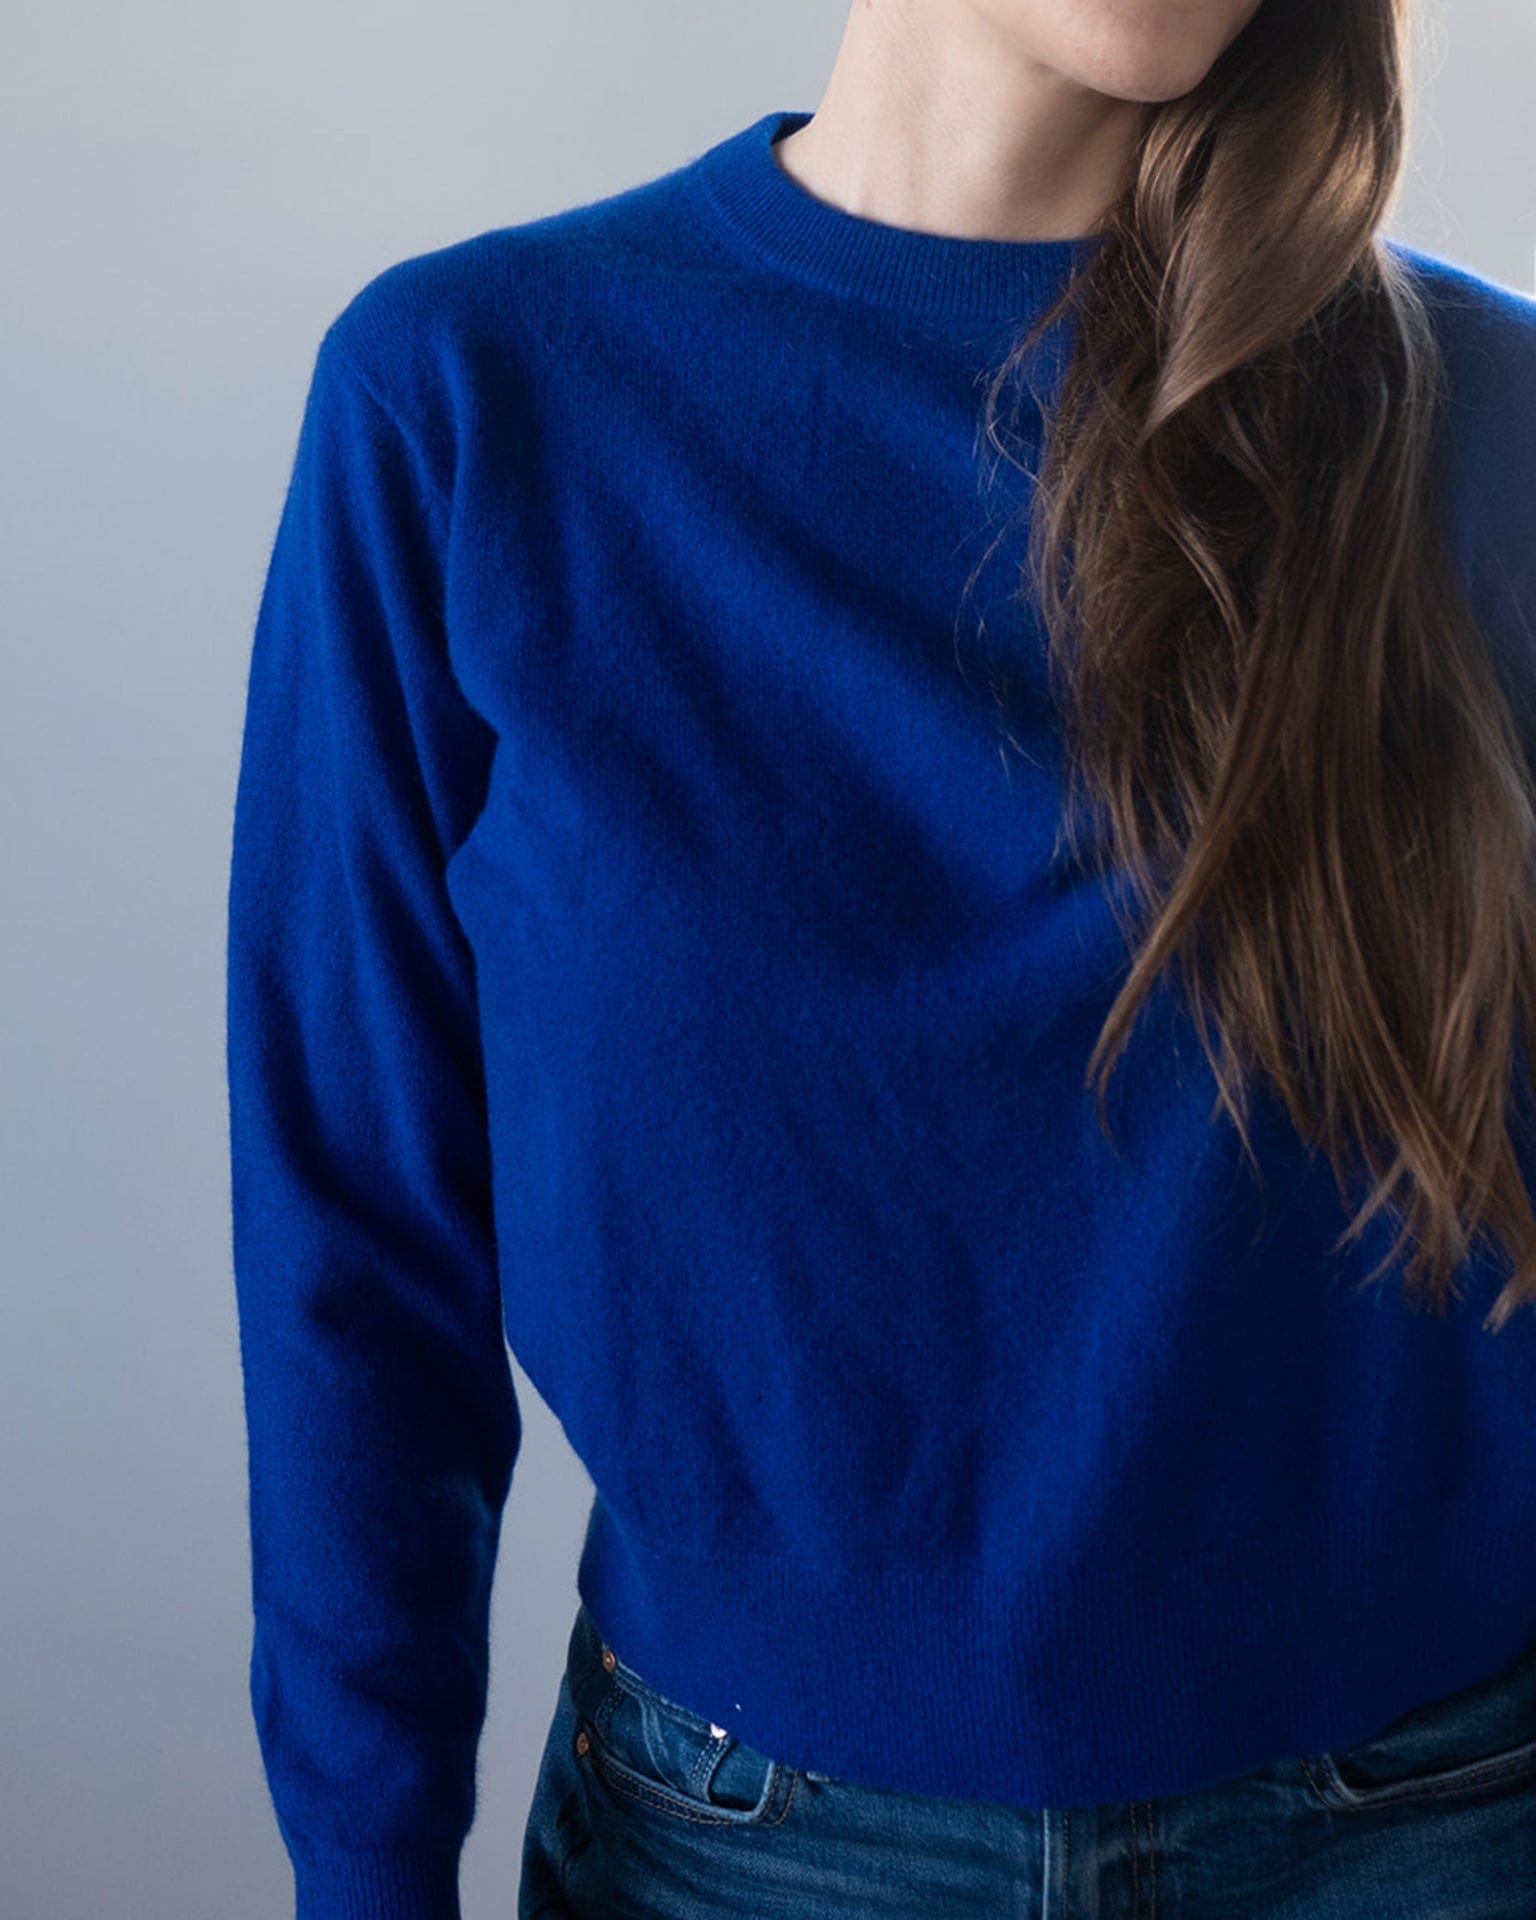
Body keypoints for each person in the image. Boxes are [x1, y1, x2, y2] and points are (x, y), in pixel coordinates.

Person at [225, 2, 1536, 1915]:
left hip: (1432, 1823)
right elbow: (354, 1251)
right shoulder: (468, 402)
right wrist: (365, 1875)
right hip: (735, 1851)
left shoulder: (1485, 422)